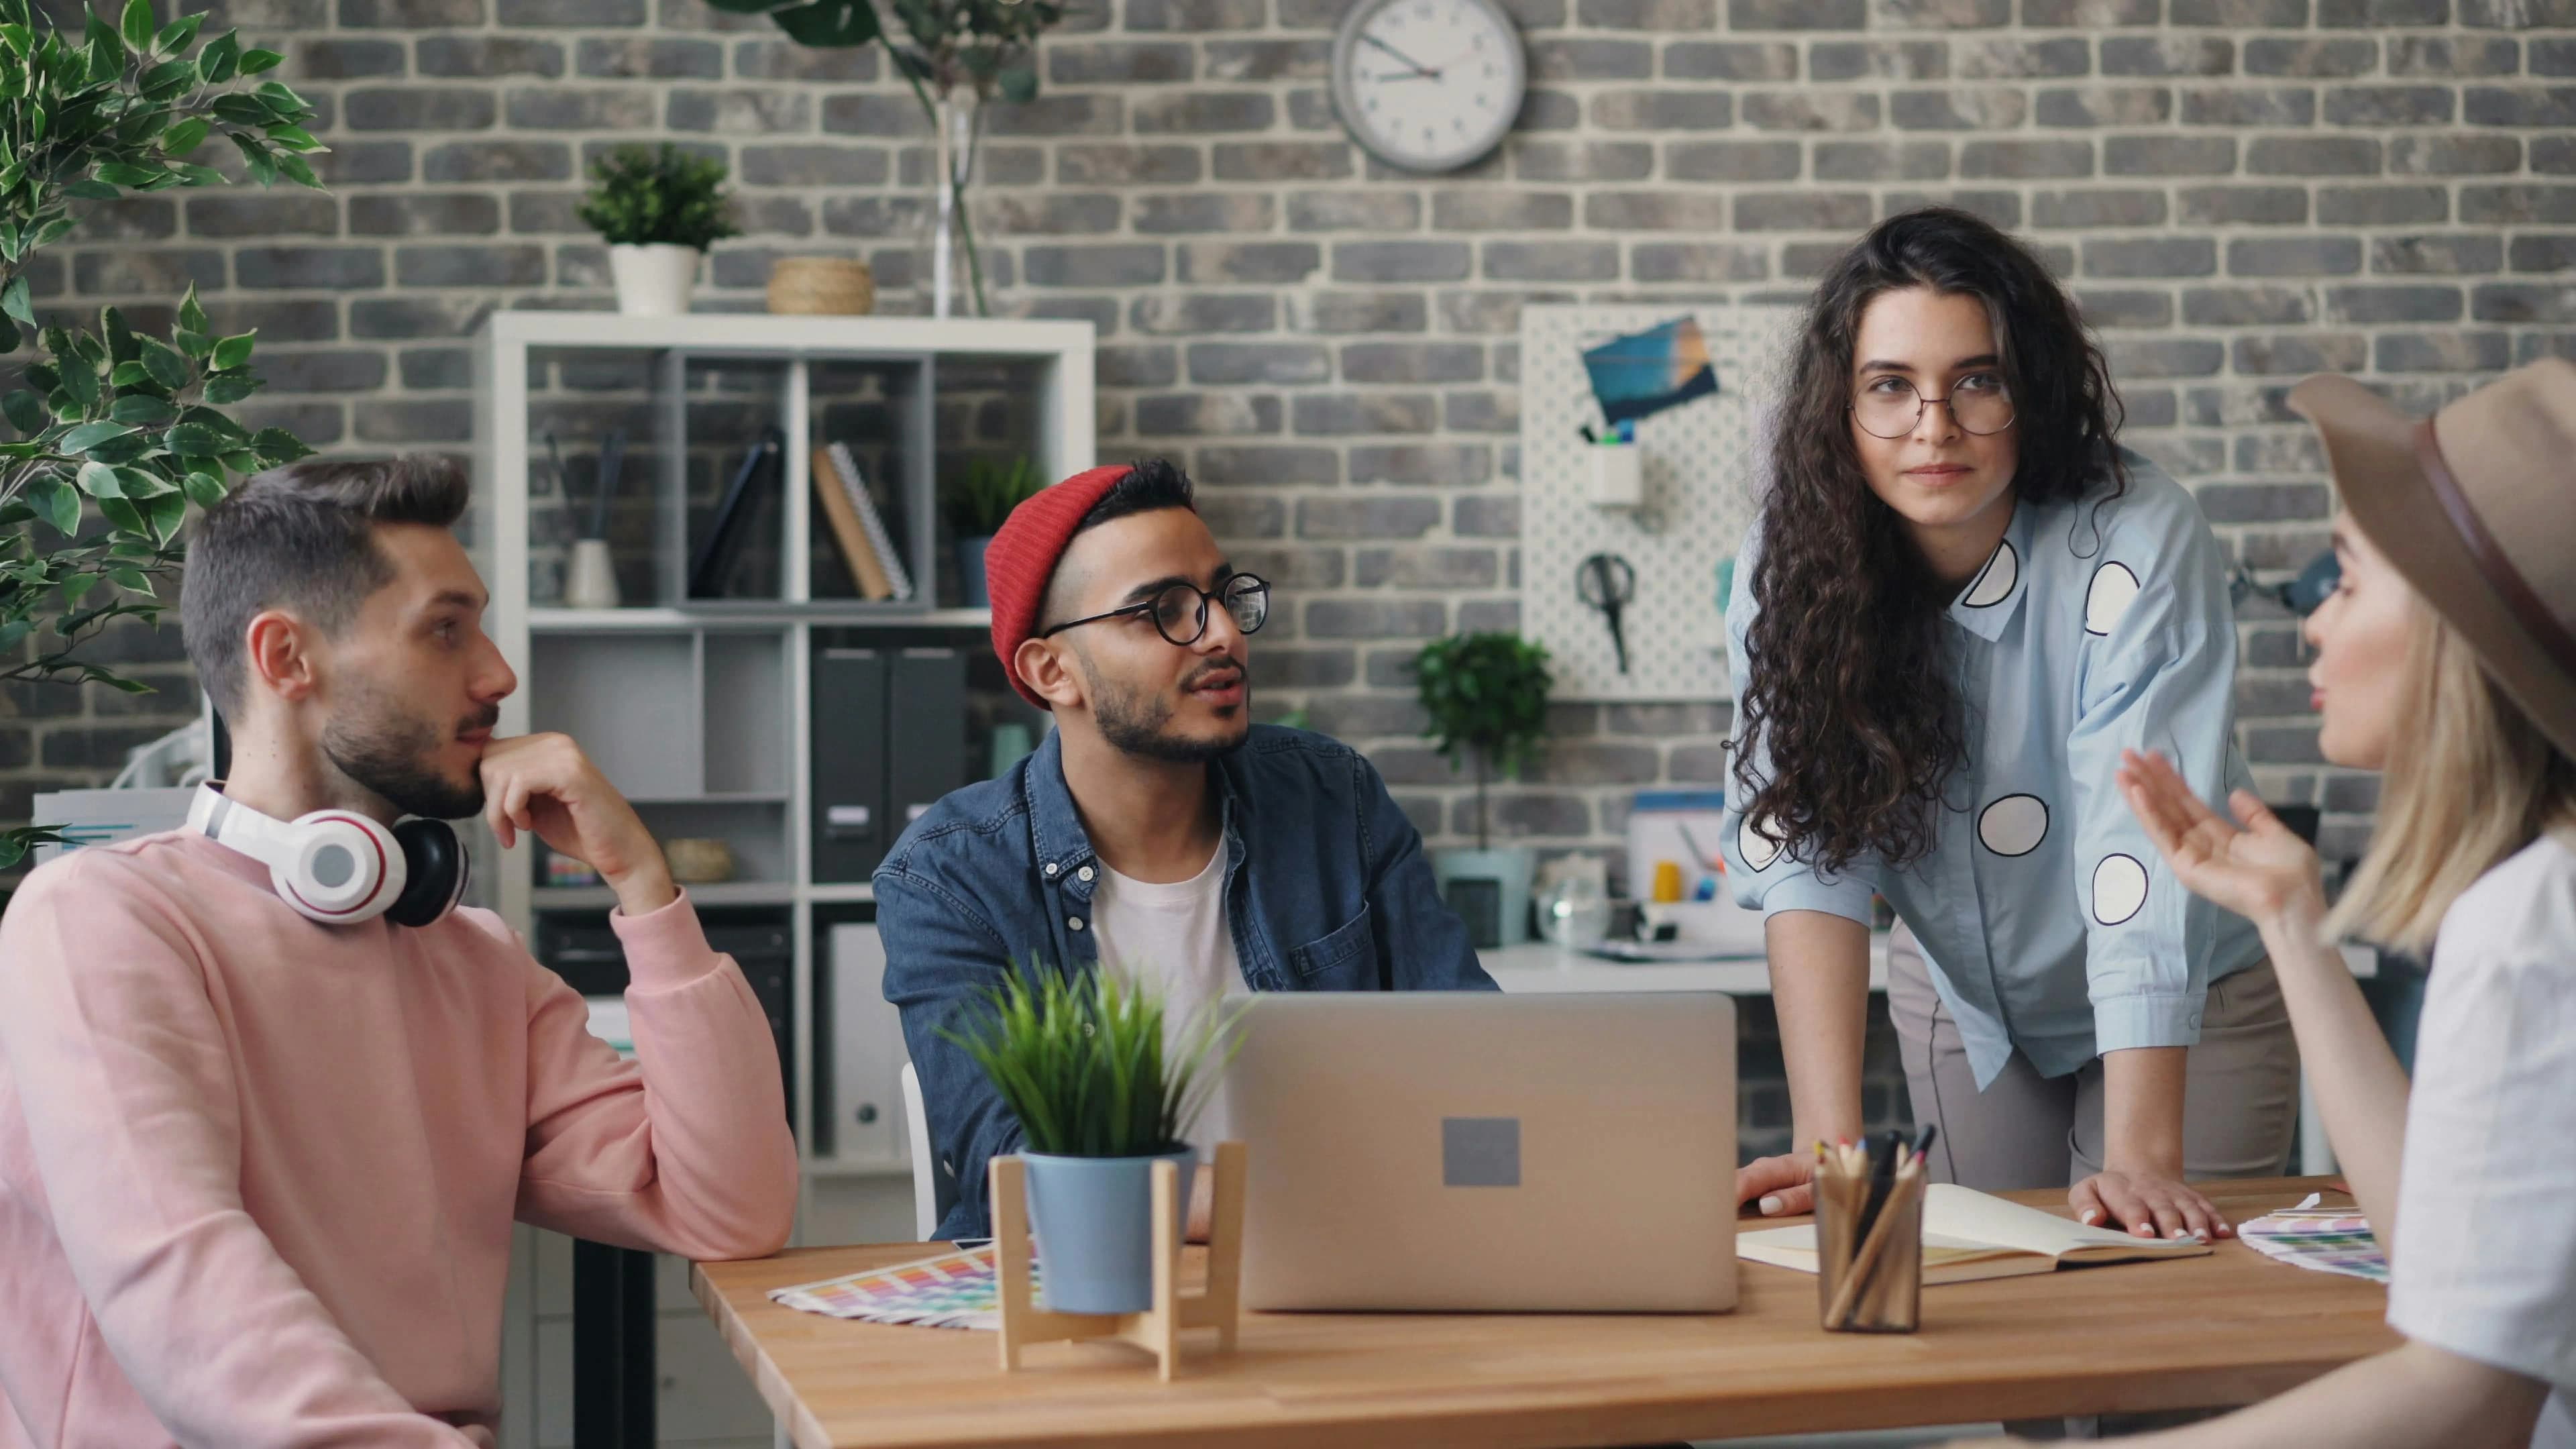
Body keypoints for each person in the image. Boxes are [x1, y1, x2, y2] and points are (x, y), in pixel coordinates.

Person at [0, 458, 797, 1448]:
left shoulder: (472, 959)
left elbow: (733, 1209)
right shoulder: (99, 919)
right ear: (288, 658)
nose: (500, 675)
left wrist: (645, 884)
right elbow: (181, 1287)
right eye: (445, 629)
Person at [1725, 207, 2292, 1240]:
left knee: (2156, 1343)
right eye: (1890, 386)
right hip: (1967, 1003)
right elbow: (1811, 850)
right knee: (2012, 1318)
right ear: (1839, 406)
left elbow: (2142, 852)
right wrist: (1828, 1151)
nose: (1933, 427)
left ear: (2030, 389)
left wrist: (2142, 1158)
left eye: (1977, 380)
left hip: (2188, 1002)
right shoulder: (1790, 556)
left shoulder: (2137, 534)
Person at [2081, 360, 2576, 1449]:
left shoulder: (2532, 926)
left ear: (2458, 635)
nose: (2312, 624)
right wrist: (2290, 921)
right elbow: (2444, 1253)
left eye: (2345, 581)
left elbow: (2467, 1402)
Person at [877, 458, 1495, 1241]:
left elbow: (1475, 1064)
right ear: (1052, 670)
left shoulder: (1333, 798)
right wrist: (1307, 1200)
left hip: (1357, 1279)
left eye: (1222, 596)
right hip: (1078, 1306)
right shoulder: (948, 877)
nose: (1226, 634)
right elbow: (1015, 1172)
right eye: (1164, 610)